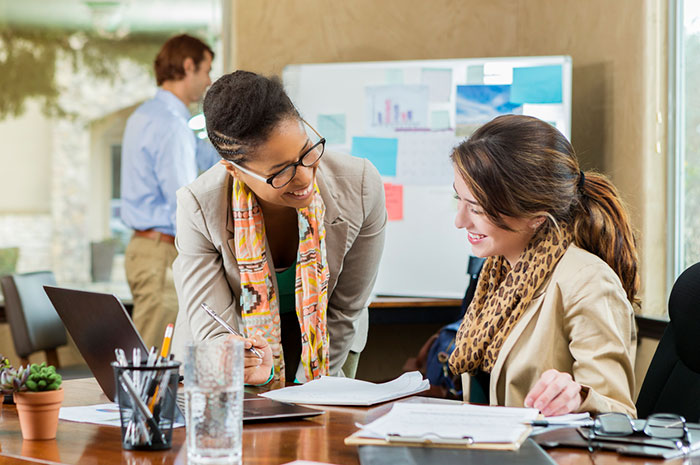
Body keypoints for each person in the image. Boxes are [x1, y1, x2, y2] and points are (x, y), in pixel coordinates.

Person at [171, 71, 387, 385]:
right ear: (234, 169)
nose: (304, 177)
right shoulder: (198, 206)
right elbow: (215, 329)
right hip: (237, 339)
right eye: (281, 172)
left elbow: (344, 309)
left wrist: (307, 389)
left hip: (326, 341)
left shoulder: (361, 186)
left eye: (306, 151)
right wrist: (243, 362)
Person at [448, 114, 639, 417]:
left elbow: (619, 415)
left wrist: (578, 398)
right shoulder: (496, 275)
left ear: (536, 215)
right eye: (458, 199)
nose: (459, 221)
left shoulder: (587, 281)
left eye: (477, 208)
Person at [121, 34, 219, 349]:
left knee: (150, 360)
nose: (208, 80)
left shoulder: (149, 115)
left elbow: (199, 161)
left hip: (145, 248)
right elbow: (184, 201)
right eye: (206, 70)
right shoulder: (171, 124)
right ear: (187, 66)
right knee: (150, 365)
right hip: (160, 253)